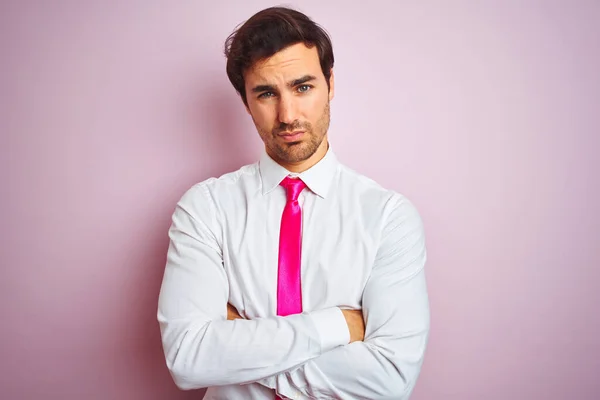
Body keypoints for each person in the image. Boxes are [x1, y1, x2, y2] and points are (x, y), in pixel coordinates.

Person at [157, 6, 430, 400]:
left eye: (303, 87)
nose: (288, 115)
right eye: (267, 93)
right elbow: (187, 358)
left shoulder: (388, 217)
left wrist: (240, 350)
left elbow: (390, 379)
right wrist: (337, 326)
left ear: (330, 84)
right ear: (245, 101)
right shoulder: (206, 210)